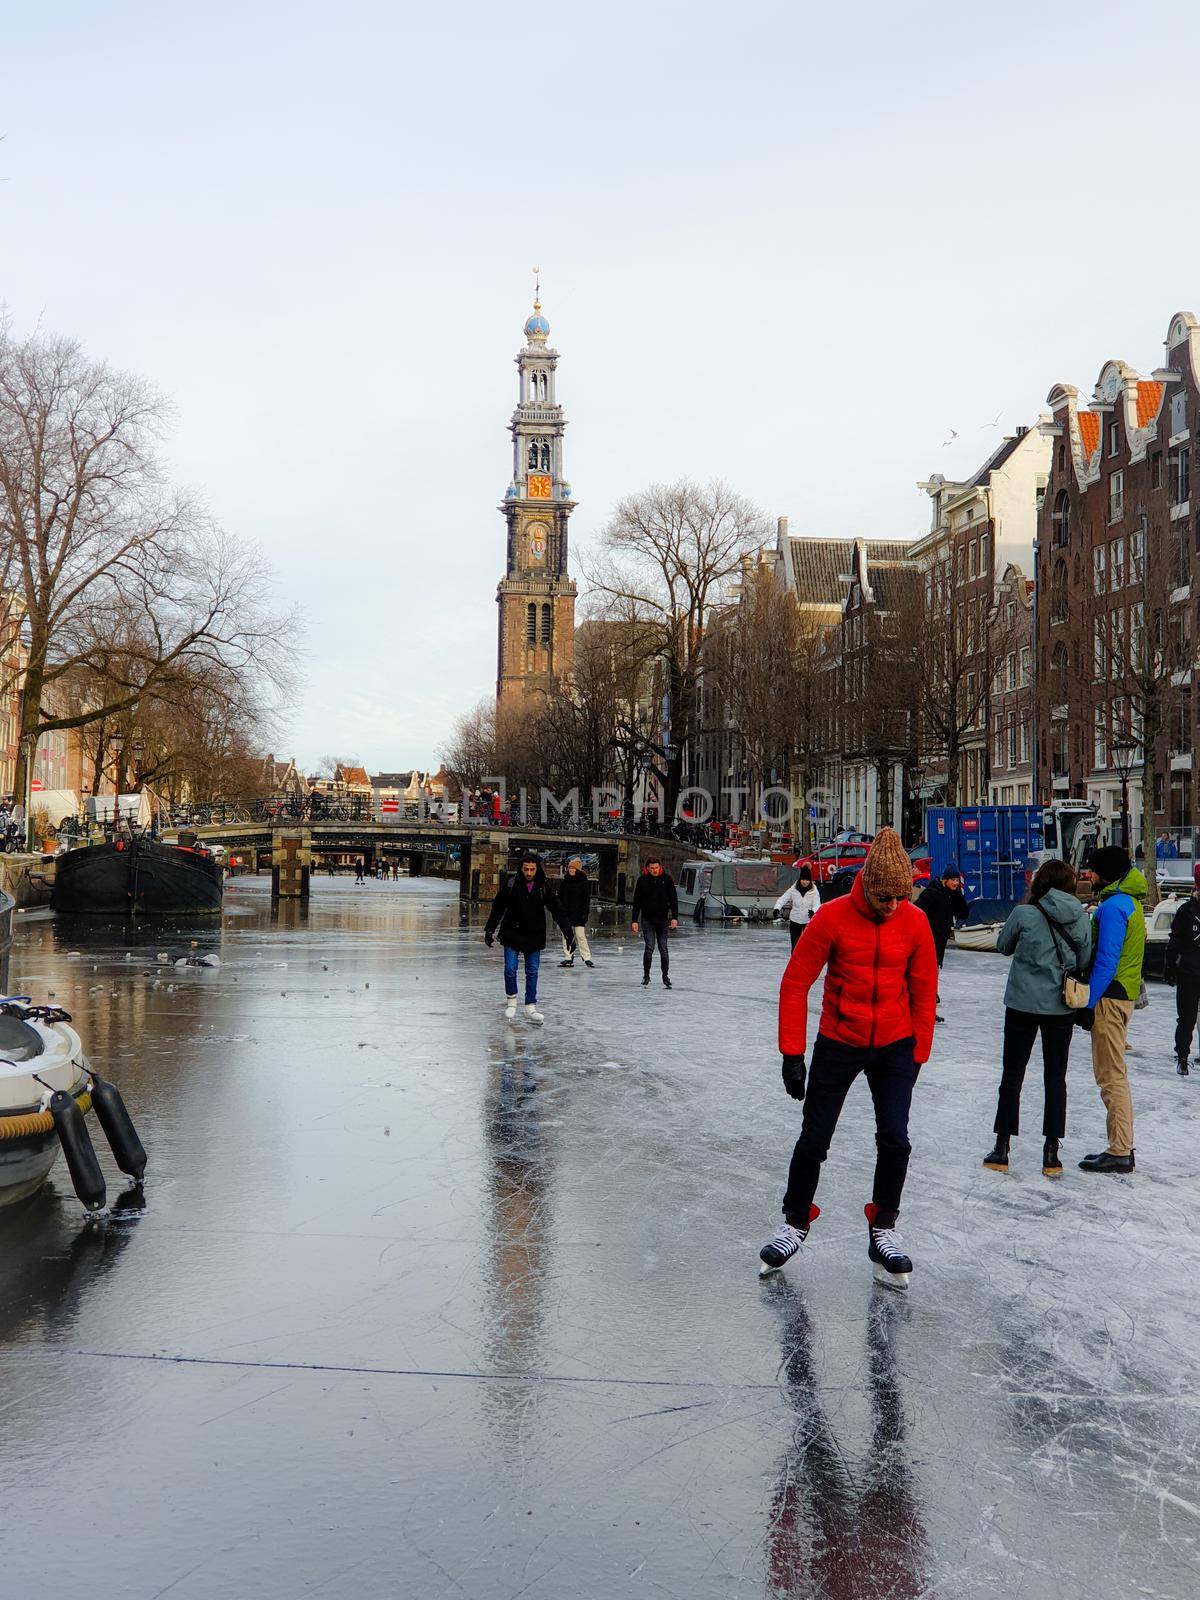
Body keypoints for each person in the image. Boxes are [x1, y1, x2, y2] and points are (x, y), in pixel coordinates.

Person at [759, 826, 937, 1288]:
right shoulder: (831, 918)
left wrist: (918, 1052)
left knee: (895, 1138)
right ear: (865, 886)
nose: (893, 905)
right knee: (814, 1139)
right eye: (884, 897)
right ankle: (795, 1221)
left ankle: (884, 1227)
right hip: (839, 1040)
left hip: (896, 1044)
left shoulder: (915, 923)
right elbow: (795, 983)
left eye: (900, 896)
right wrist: (792, 1053)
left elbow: (924, 991)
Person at [982, 860, 1092, 1178]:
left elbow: (1003, 946)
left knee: (1012, 1076)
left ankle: (1002, 1148)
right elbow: (1084, 959)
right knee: (1055, 1079)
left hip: (1021, 1004)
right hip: (1060, 1007)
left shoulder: (1024, 913)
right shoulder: (1081, 919)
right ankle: (1051, 1154)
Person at [1077, 846, 1146, 1174]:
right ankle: (1120, 1146)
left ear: (1105, 873)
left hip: (1110, 996)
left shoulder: (1115, 906)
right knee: (1113, 1072)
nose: (1089, 875)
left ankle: (1120, 1150)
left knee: (1111, 1075)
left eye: (1092, 870)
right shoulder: (1129, 902)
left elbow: (1106, 960)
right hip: (1124, 993)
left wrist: (1089, 1003)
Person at [484, 852, 575, 1024]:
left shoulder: (543, 887)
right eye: (526, 869)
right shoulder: (511, 884)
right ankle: (511, 1000)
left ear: (537, 869)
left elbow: (558, 911)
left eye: (532, 869)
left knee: (532, 971)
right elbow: (498, 907)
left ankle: (530, 1006)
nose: (529, 873)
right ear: (521, 868)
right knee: (510, 969)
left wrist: (569, 934)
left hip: (534, 934)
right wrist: (489, 929)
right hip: (512, 932)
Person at [914, 864, 967, 1022]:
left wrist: (958, 895)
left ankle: (929, 1009)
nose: (955, 883)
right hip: (928, 940)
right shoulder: (933, 893)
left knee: (934, 974)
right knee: (928, 976)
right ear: (945, 880)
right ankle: (925, 1009)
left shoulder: (952, 895)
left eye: (957, 880)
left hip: (940, 941)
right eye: (952, 880)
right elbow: (917, 911)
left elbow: (964, 913)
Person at [1164, 865, 1200, 1076]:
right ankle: (1183, 1057)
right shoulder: (1185, 911)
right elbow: (1174, 940)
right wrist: (1170, 966)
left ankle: (1183, 1057)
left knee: (1186, 1018)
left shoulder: (1186, 911)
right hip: (1189, 973)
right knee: (1185, 1018)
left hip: (1190, 971)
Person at [631, 856, 678, 989]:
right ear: (647, 868)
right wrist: (634, 920)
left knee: (663, 949)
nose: (655, 870)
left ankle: (665, 976)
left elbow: (673, 900)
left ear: (660, 867)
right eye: (652, 868)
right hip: (647, 919)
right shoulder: (642, 881)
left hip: (662, 919)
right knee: (649, 947)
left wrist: (674, 917)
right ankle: (646, 975)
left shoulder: (667, 880)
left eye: (656, 868)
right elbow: (637, 902)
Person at [557, 857, 595, 968]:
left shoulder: (583, 882)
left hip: (579, 914)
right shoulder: (565, 881)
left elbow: (586, 899)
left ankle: (586, 957)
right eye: (570, 868)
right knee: (566, 936)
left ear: (577, 870)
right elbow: (560, 897)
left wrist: (585, 914)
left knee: (580, 936)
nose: (571, 870)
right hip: (566, 913)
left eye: (573, 868)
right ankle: (568, 957)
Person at [774, 865, 821, 951]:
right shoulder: (794, 889)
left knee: (807, 945)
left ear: (810, 881)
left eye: (807, 880)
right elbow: (784, 898)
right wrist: (777, 908)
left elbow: (817, 904)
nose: (805, 882)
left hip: (808, 921)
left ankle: (806, 963)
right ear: (800, 879)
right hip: (795, 920)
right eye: (803, 879)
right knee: (795, 946)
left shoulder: (814, 891)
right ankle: (794, 962)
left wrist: (813, 911)